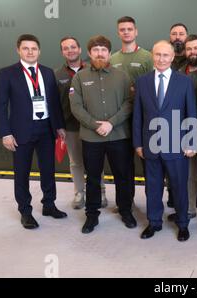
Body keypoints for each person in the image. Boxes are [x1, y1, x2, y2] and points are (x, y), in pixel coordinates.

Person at [0, 34, 67, 229]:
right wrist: (5, 133)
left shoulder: (47, 72)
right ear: (18, 50)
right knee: (22, 173)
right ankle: (25, 211)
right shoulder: (7, 73)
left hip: (46, 129)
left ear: (39, 51)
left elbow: (54, 102)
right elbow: (0, 106)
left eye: (33, 49)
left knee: (48, 170)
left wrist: (59, 126)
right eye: (25, 48)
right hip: (20, 131)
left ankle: (49, 205)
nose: (30, 52)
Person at [69, 35, 136, 234]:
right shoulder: (79, 77)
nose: (100, 53)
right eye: (96, 50)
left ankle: (125, 210)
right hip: (91, 138)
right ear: (89, 53)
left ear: (109, 53)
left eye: (103, 50)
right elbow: (76, 106)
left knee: (123, 176)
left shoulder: (122, 76)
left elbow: (129, 102)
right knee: (93, 178)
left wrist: (111, 123)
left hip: (119, 136)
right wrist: (94, 124)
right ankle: (92, 215)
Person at [133, 40, 197, 242]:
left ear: (172, 57)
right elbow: (137, 115)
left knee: (179, 186)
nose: (161, 59)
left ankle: (183, 224)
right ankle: (154, 223)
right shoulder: (142, 81)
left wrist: (191, 142)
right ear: (153, 56)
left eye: (166, 55)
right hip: (149, 145)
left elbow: (191, 113)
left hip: (177, 146)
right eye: (158, 54)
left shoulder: (184, 81)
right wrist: (138, 143)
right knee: (152, 187)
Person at [166, 34, 197, 226]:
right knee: (187, 175)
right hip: (181, 131)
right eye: (189, 49)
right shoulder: (176, 72)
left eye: (196, 48)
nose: (192, 52)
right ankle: (188, 210)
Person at [55, 36, 107, 210]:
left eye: (73, 47)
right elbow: (54, 104)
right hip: (71, 127)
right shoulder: (57, 75)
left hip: (94, 126)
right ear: (62, 52)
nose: (70, 50)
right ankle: (79, 192)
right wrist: (59, 126)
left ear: (79, 50)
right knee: (76, 162)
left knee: (96, 161)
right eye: (65, 48)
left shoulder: (94, 68)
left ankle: (101, 191)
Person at [110, 16, 154, 212]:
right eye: (122, 29)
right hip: (120, 122)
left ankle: (152, 206)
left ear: (136, 32)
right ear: (118, 33)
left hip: (144, 120)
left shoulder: (148, 57)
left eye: (129, 29)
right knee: (123, 167)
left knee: (149, 167)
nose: (126, 32)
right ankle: (126, 205)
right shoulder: (112, 59)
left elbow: (155, 86)